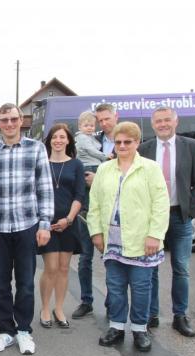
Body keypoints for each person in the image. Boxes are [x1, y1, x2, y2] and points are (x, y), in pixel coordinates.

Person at [0, 103, 53, 355]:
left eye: (13, 119)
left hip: (26, 226)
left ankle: (23, 331)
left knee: (25, 284)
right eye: (4, 119)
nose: (9, 124)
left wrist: (45, 224)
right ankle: (6, 331)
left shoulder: (36, 149)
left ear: (21, 121)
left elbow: (44, 188)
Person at [87, 122, 169, 352]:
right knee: (115, 285)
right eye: (118, 142)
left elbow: (161, 205)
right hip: (112, 239)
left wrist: (155, 235)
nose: (122, 146)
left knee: (142, 287)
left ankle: (140, 329)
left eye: (127, 142)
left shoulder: (150, 168)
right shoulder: (105, 169)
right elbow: (94, 204)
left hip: (142, 240)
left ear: (137, 143)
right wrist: (96, 232)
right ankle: (116, 326)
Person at [139, 107, 195, 337]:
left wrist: (191, 211)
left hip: (180, 216)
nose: (163, 124)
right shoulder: (145, 148)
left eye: (167, 120)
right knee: (151, 268)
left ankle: (180, 316)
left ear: (176, 122)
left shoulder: (191, 146)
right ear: (153, 124)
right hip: (152, 218)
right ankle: (151, 314)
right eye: (158, 121)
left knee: (181, 268)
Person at [72, 103, 119, 320]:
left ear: (115, 117)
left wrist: (97, 177)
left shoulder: (124, 140)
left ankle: (112, 304)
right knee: (85, 257)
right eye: (99, 121)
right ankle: (86, 301)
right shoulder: (93, 140)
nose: (102, 124)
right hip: (88, 208)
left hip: (112, 210)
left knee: (111, 257)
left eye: (106, 119)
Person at [37, 123, 85, 329]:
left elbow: (79, 195)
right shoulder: (41, 164)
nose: (58, 140)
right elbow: (35, 194)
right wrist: (44, 221)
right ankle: (45, 308)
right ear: (49, 141)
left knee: (64, 268)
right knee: (51, 267)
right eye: (54, 137)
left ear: (68, 140)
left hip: (68, 223)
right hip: (46, 224)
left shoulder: (76, 165)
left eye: (62, 137)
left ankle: (59, 308)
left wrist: (69, 219)